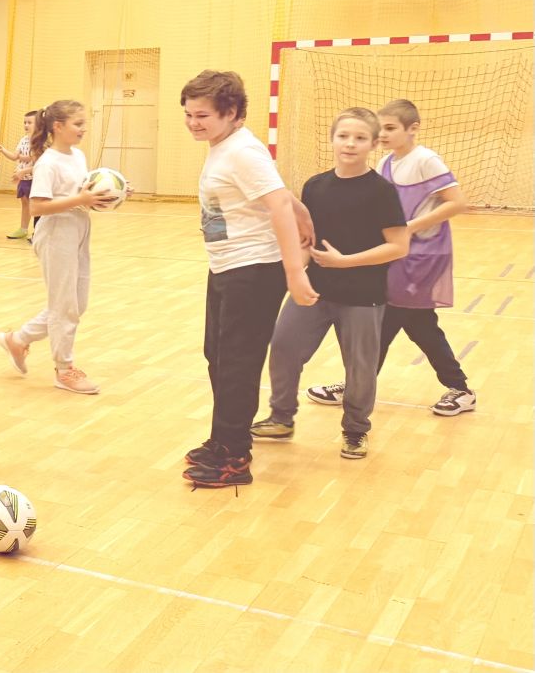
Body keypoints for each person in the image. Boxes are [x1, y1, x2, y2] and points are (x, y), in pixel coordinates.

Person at [179, 70, 317, 490]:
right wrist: (305, 214)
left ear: (232, 112)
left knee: (238, 362)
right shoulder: (224, 145)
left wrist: (295, 272)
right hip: (226, 266)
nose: (193, 123)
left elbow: (277, 205)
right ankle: (223, 439)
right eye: (188, 114)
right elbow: (279, 193)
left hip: (253, 269)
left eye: (202, 115)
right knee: (218, 356)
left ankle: (235, 457)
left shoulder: (242, 151)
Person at [251, 108, 408, 459]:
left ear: (373, 144)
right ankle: (281, 418)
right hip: (316, 290)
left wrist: (345, 261)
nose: (350, 144)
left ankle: (355, 430)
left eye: (360, 138)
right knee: (284, 347)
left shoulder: (381, 191)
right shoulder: (315, 186)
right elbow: (308, 240)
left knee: (360, 368)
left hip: (363, 296)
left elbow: (399, 246)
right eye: (343, 136)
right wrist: (296, 273)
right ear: (332, 139)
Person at [306, 99, 475, 416]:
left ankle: (360, 386)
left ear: (413, 128)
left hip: (422, 255)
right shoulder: (385, 163)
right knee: (413, 321)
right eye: (380, 128)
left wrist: (409, 227)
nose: (382, 134)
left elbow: (457, 202)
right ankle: (455, 386)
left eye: (390, 128)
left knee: (394, 320)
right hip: (398, 255)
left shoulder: (426, 160)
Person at [0, 101, 113, 394]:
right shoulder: (48, 163)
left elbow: (81, 193)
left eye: (84, 124)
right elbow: (37, 206)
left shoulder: (78, 156)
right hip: (56, 233)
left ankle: (18, 340)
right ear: (58, 127)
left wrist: (110, 193)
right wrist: (80, 201)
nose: (83, 129)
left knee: (76, 304)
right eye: (78, 124)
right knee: (64, 306)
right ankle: (64, 369)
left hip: (79, 228)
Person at [0, 110, 38, 239]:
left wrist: (23, 161)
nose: (26, 125)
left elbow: (35, 159)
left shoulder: (39, 141)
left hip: (34, 178)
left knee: (35, 205)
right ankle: (23, 229)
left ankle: (38, 231)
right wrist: (2, 150)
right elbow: (14, 156)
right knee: (25, 203)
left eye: (29, 122)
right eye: (25, 122)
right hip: (23, 178)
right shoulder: (23, 140)